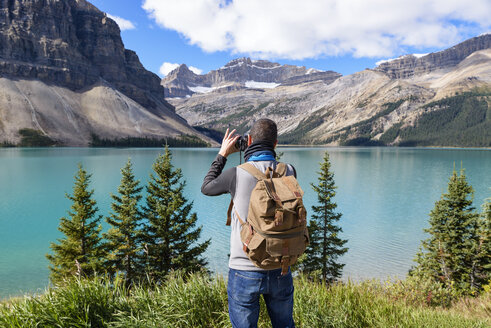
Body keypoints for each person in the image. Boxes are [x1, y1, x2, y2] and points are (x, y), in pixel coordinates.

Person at [201, 118, 297, 328]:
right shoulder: (290, 170)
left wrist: (223, 154)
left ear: (250, 140)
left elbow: (206, 187)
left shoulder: (237, 173)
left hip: (244, 269)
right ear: (276, 144)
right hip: (281, 267)